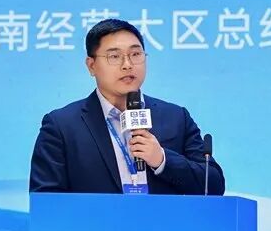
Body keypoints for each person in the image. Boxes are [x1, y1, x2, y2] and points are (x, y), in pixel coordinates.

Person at [29, 19, 225, 195]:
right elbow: (46, 201)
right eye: (114, 56)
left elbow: (214, 185)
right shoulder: (62, 126)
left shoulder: (176, 118)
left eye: (135, 54)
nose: (127, 64)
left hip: (161, 225)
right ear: (91, 66)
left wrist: (162, 160)